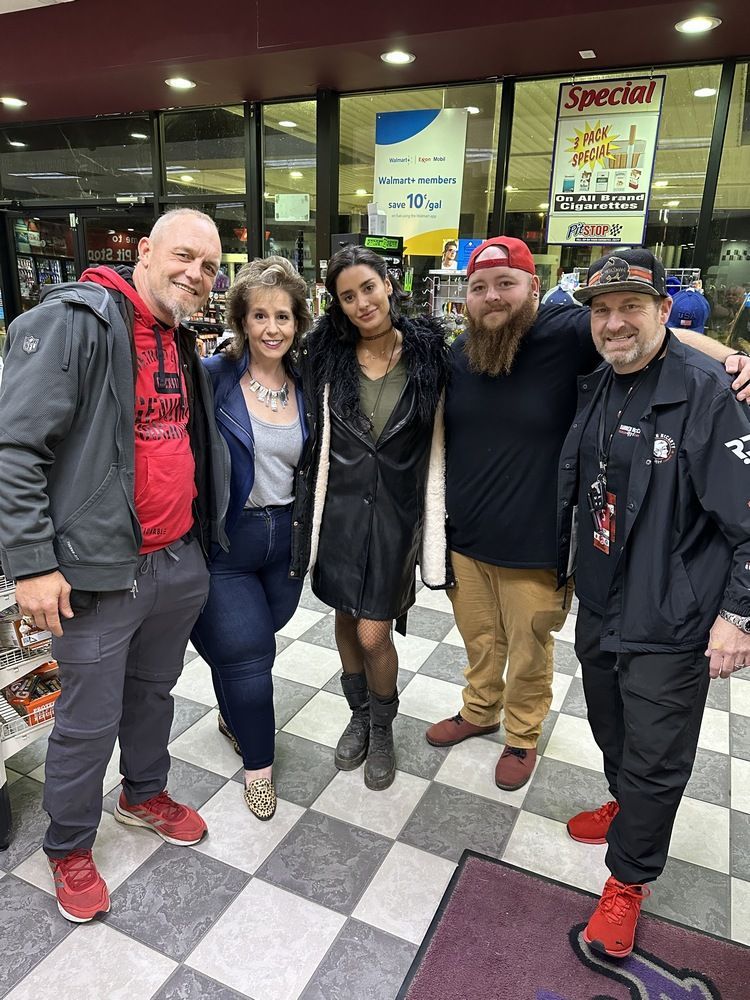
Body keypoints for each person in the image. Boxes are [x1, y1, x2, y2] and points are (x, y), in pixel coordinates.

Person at [425, 237, 750, 792]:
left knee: (529, 647)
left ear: (532, 288)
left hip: (537, 544)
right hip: (465, 537)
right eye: (479, 288)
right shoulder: (461, 352)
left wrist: (731, 359)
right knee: (480, 638)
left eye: (506, 282)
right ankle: (480, 709)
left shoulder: (567, 330)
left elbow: (654, 332)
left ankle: (521, 735)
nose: (492, 296)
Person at [0, 208, 229, 923]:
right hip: (97, 574)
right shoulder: (77, 320)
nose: (197, 274)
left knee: (153, 694)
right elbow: (14, 447)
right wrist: (34, 565)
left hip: (176, 561)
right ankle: (68, 846)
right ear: (147, 252)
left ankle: (143, 792)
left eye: (211, 266)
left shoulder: (177, 335)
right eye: (185, 256)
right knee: (86, 722)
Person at [557, 248, 750, 958]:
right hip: (604, 600)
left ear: (665, 311)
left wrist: (737, 618)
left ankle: (629, 880)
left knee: (658, 756)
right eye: (602, 310)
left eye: (631, 307)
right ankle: (625, 806)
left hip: (673, 614)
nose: (614, 323)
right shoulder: (601, 383)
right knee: (610, 723)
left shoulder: (707, 391)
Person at [290, 245, 452, 791]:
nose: (362, 303)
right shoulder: (326, 357)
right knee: (344, 618)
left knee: (374, 631)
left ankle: (383, 725)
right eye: (347, 296)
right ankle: (358, 715)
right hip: (338, 515)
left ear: (389, 282)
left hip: (395, 520)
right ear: (337, 305)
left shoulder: (430, 355)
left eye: (368, 287)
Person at [192, 257, 311, 821]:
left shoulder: (307, 384)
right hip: (227, 543)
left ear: (298, 322)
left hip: (284, 544)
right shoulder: (212, 377)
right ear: (241, 319)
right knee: (252, 657)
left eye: (282, 316)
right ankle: (259, 769)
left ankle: (231, 712)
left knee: (250, 639)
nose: (271, 327)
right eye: (259, 314)